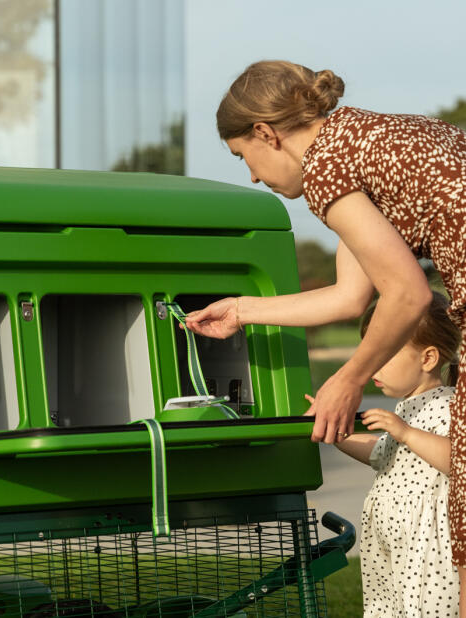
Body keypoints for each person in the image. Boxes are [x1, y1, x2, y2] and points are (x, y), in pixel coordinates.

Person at [183, 60, 466, 602]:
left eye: (246, 158)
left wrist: (349, 378)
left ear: (267, 133)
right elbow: (351, 296)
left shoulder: (326, 165)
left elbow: (407, 294)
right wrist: (241, 310)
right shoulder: (369, 138)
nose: (253, 177)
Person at [311, 293, 460, 615]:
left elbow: (458, 459)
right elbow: (381, 454)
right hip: (392, 543)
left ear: (428, 358)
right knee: (388, 607)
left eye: (386, 354)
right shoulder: (408, 407)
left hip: (428, 546)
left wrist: (405, 432)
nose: (372, 364)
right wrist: (333, 431)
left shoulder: (450, 406)